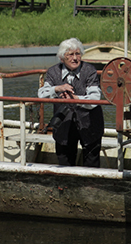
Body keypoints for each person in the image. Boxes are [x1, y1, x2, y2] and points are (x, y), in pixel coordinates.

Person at [38, 38, 104, 167]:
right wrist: (57, 89)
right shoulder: (53, 72)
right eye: (70, 55)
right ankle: (66, 186)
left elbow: (95, 98)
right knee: (64, 164)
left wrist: (75, 99)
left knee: (92, 164)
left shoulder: (89, 71)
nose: (75, 58)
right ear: (62, 58)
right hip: (64, 125)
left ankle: (91, 186)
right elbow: (41, 94)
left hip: (90, 125)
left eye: (78, 54)